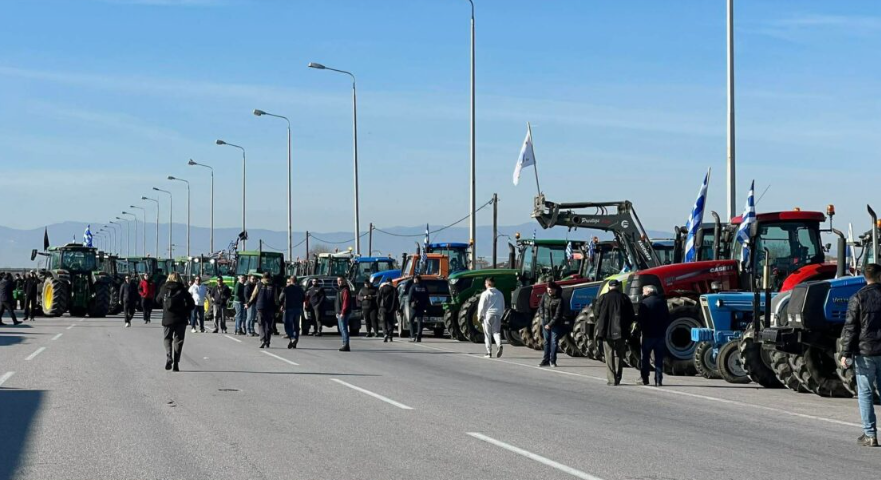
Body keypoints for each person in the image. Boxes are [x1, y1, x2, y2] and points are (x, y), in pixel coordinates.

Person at [840, 263, 881, 447]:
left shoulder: (857, 298)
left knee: (865, 393)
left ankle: (870, 435)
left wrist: (845, 353)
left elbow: (850, 328)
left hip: (865, 352)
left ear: (865, 277)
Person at [594, 279, 634, 386]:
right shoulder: (624, 298)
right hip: (621, 331)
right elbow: (631, 315)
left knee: (609, 355)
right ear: (618, 287)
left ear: (609, 287)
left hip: (606, 331)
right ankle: (618, 376)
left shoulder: (603, 297)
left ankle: (612, 379)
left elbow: (596, 313)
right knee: (619, 355)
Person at [157, 272, 195, 372]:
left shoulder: (164, 288)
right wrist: (185, 310)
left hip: (167, 318)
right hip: (181, 319)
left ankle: (169, 357)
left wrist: (165, 306)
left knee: (167, 338)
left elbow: (157, 300)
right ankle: (176, 364)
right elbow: (192, 304)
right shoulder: (182, 289)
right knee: (179, 341)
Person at [637, 284, 671, 386]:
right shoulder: (662, 302)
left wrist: (641, 329)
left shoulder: (644, 303)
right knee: (659, 359)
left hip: (648, 334)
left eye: (643, 291)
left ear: (648, 292)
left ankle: (645, 378)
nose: (642, 293)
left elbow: (641, 319)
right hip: (660, 334)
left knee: (645, 358)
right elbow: (667, 317)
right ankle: (658, 379)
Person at [538, 281, 565, 366]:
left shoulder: (560, 300)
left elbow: (558, 315)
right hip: (545, 321)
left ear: (555, 290)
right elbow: (541, 306)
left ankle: (553, 361)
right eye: (548, 289)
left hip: (555, 323)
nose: (549, 291)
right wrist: (542, 316)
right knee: (546, 341)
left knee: (554, 341)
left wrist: (550, 324)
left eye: (551, 290)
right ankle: (545, 360)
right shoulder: (545, 296)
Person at [478, 277, 505, 358]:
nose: (485, 285)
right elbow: (503, 305)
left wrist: (479, 316)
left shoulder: (485, 294)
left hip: (487, 315)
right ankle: (499, 344)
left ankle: (489, 352)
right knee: (496, 332)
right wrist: (501, 314)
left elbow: (481, 306)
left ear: (488, 284)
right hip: (497, 315)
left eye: (485, 283)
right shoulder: (500, 293)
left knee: (487, 334)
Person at [250, 272, 277, 349]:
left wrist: (248, 303)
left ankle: (262, 339)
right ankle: (267, 342)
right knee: (268, 325)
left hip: (260, 307)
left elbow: (253, 295)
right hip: (270, 307)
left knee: (261, 323)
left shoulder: (259, 284)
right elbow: (276, 298)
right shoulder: (273, 285)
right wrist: (277, 308)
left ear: (263, 277)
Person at [279, 276, 305, 349]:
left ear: (290, 281)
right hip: (298, 308)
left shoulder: (287, 288)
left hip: (289, 308)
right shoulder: (300, 289)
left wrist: (281, 305)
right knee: (296, 325)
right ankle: (295, 341)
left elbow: (281, 298)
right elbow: (303, 298)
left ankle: (292, 338)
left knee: (288, 325)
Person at [407, 275, 430, 342]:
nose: (414, 280)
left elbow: (410, 297)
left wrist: (409, 305)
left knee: (411, 321)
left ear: (416, 280)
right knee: (420, 321)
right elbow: (427, 296)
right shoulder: (424, 287)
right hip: (421, 306)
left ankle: (413, 336)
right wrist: (426, 305)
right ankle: (419, 337)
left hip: (414, 306)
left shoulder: (413, 287)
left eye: (414, 279)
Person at [335, 276, 353, 351]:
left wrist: (343, 312)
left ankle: (346, 345)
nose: (339, 282)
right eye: (338, 281)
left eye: (341, 280)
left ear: (344, 281)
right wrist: (337, 312)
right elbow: (337, 302)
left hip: (344, 313)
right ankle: (344, 344)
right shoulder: (339, 290)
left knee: (344, 328)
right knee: (341, 329)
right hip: (339, 312)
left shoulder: (345, 290)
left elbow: (345, 302)